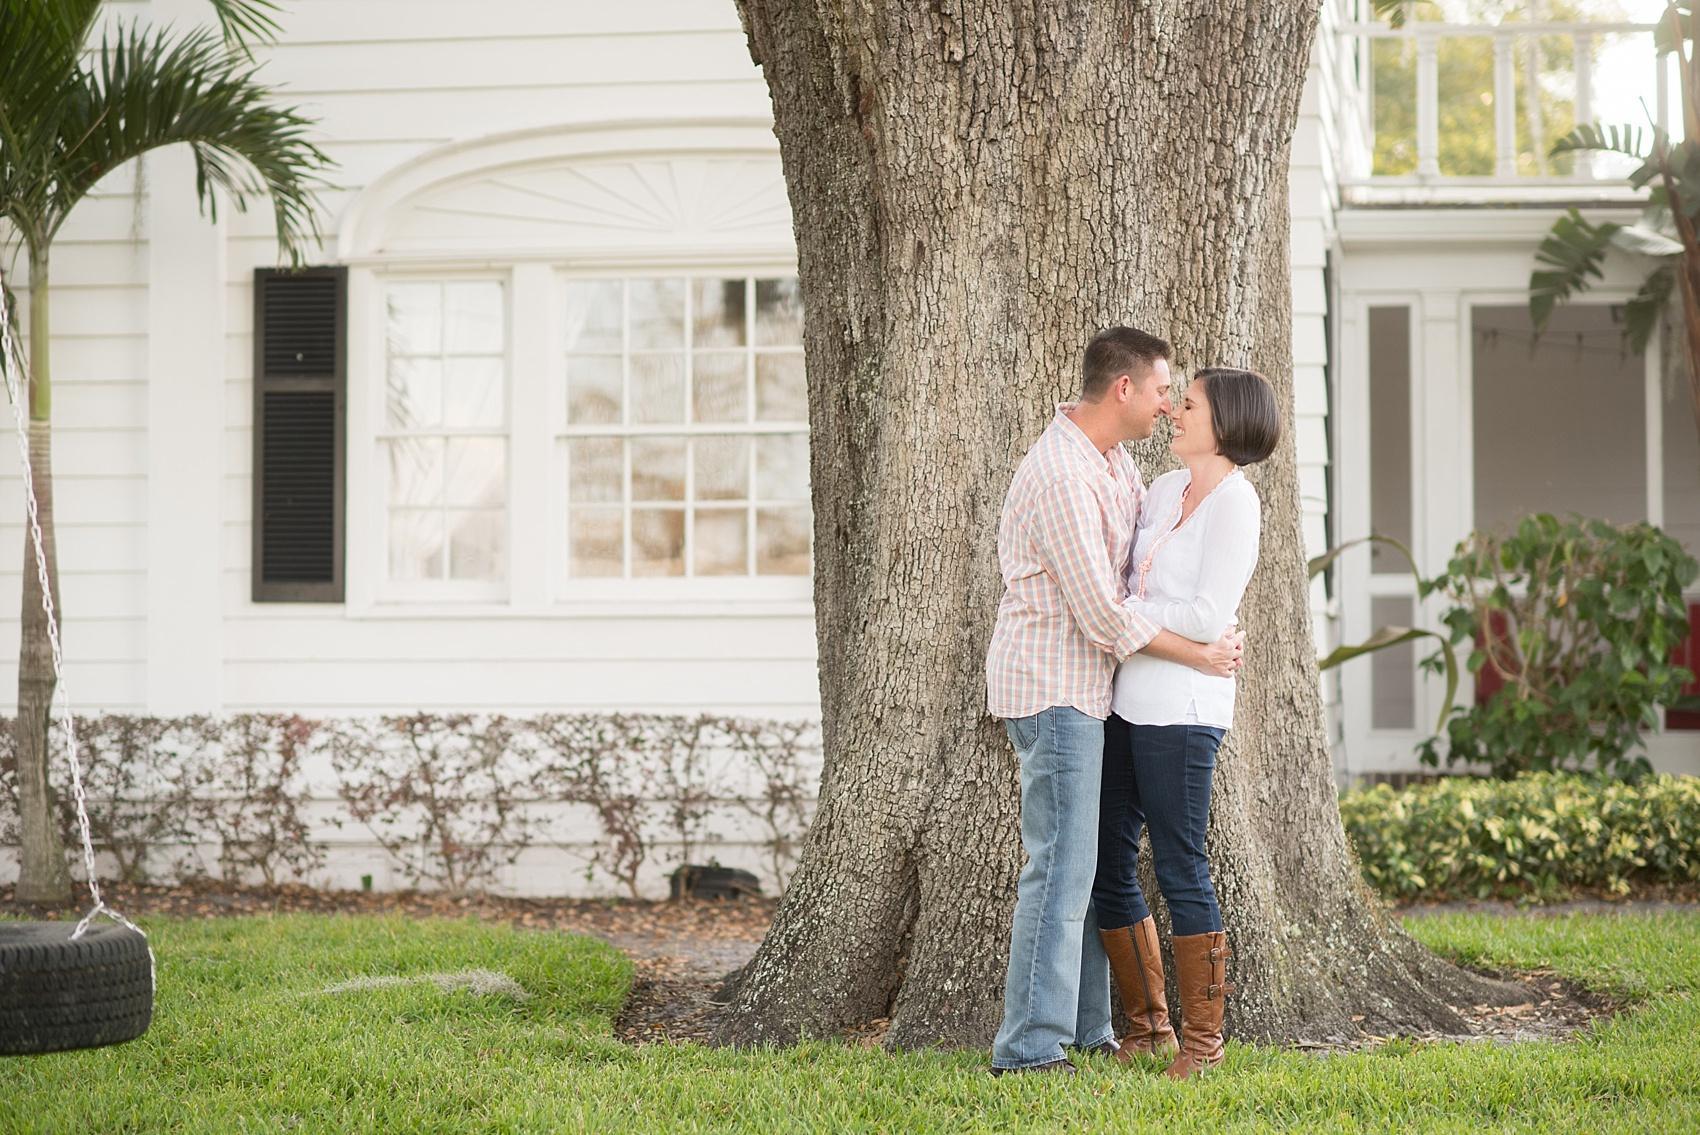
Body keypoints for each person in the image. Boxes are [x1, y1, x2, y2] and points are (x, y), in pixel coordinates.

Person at [985, 329, 1244, 1076]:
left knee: (1090, 866)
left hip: (1095, 691)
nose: (1168, 406)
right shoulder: (1063, 475)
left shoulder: (1116, 464)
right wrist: (1200, 652)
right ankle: (1029, 1048)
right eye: (1163, 391)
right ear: (1124, 389)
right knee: (1061, 871)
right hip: (1053, 688)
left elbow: (1141, 574)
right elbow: (1104, 612)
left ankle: (1092, 1026)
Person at [1092, 366, 1281, 1079]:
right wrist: (1130, 613)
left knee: (1179, 864)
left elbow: (1207, 617)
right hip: (1123, 699)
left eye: (1190, 405)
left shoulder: (1236, 504)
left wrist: (1127, 616)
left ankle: (1204, 1044)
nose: (1175, 411)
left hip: (1184, 710)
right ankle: (1149, 1028)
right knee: (1109, 860)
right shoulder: (1165, 488)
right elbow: (1124, 581)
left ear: (1224, 423)